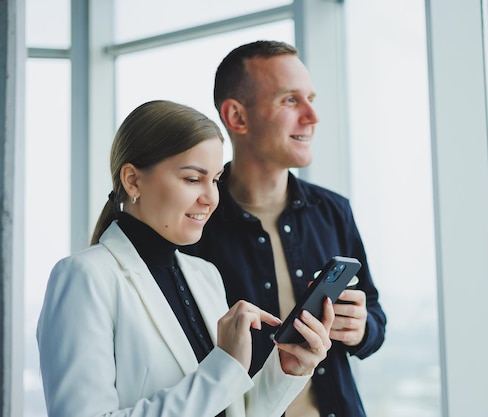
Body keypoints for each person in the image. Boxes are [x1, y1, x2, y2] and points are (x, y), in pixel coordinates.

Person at [36, 100, 334, 417]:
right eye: (193, 179)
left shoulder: (205, 274)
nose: (211, 198)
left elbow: (226, 409)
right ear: (133, 180)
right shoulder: (84, 277)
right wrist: (225, 366)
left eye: (216, 179)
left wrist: (286, 369)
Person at [182, 40, 387, 417]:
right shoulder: (193, 222)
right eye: (290, 100)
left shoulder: (333, 210)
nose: (312, 115)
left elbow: (374, 315)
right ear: (237, 117)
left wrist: (362, 327)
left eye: (310, 98)